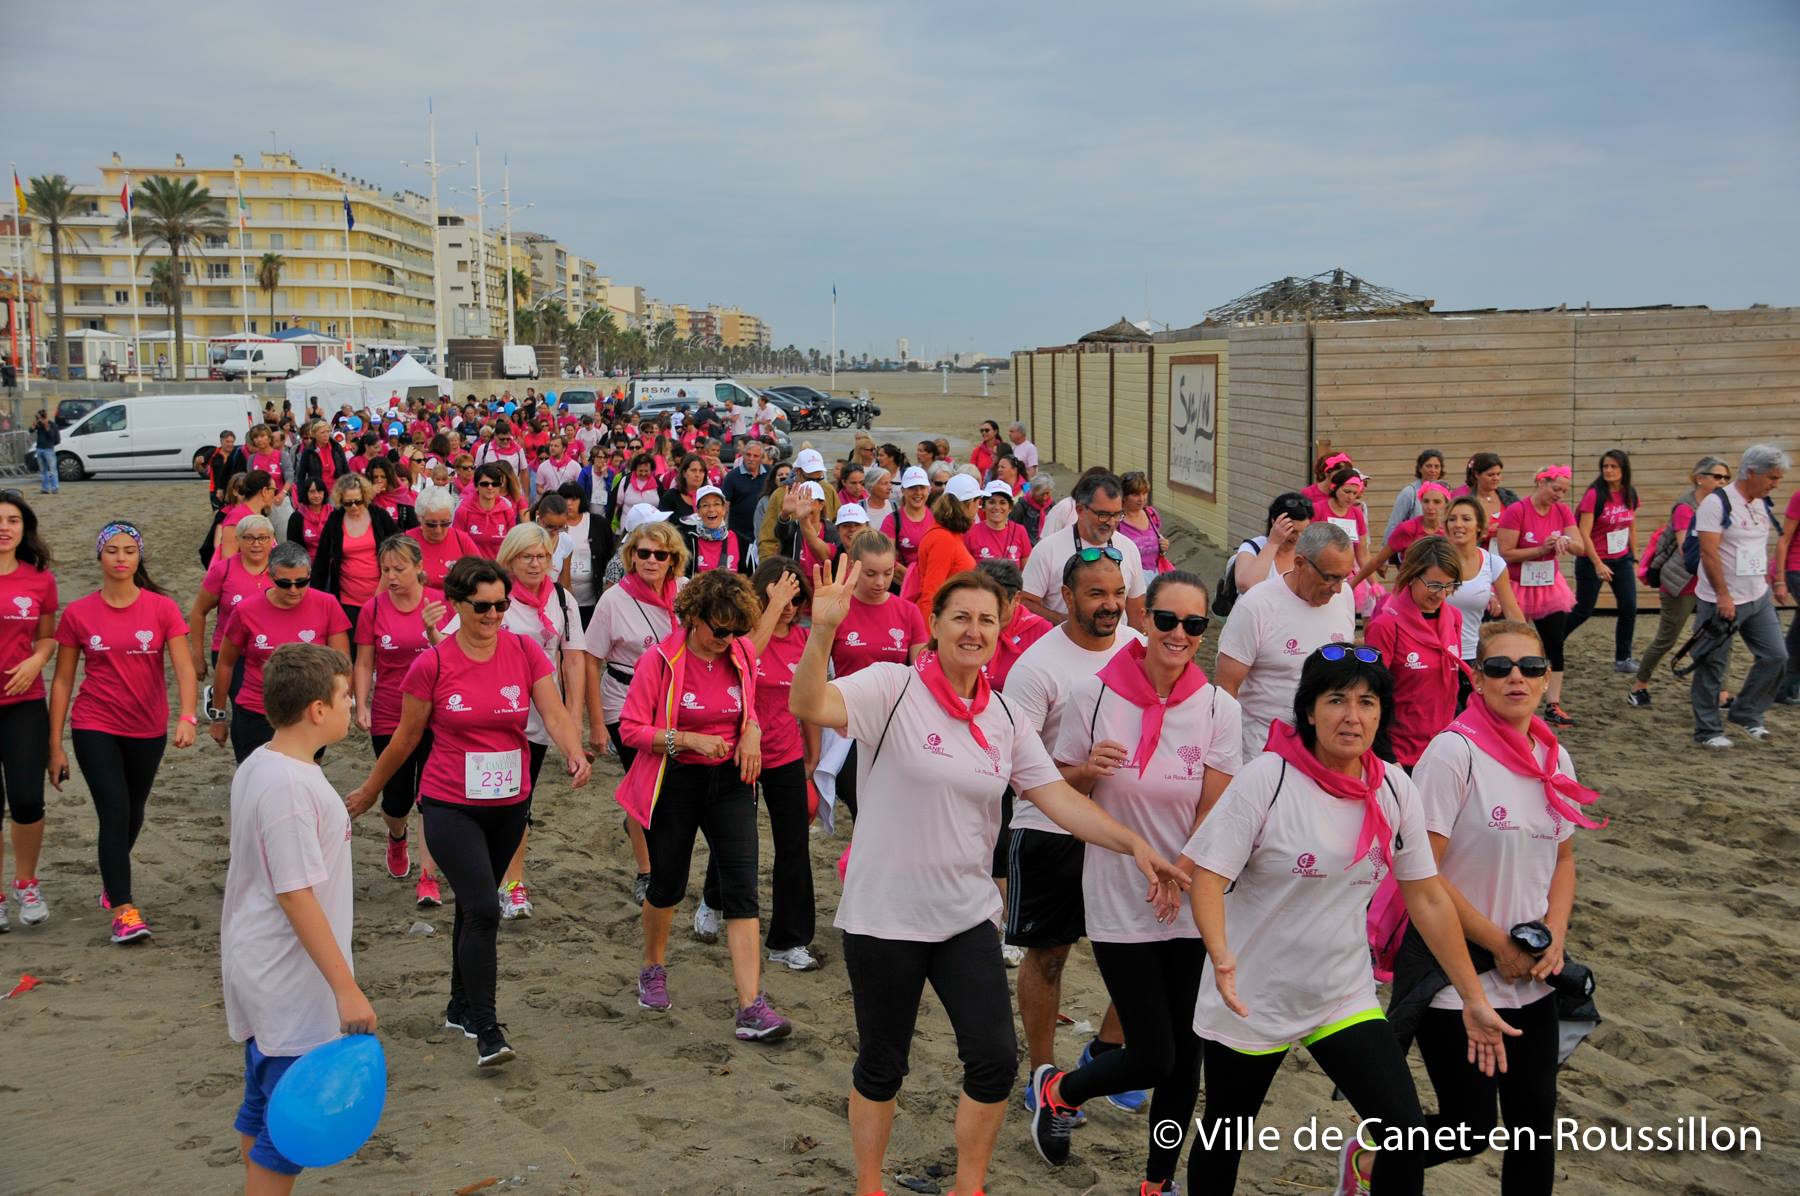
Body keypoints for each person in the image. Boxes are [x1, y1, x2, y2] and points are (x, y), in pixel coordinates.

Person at [788, 561, 1189, 1196]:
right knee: (883, 1062)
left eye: (986, 620)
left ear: (1001, 630)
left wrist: (1132, 843)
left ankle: (967, 1186)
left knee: (996, 1061)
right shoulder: (891, 687)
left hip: (966, 914)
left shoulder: (1001, 715)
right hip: (884, 913)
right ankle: (870, 1185)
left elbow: (1056, 796)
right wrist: (821, 633)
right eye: (961, 618)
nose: (974, 631)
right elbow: (807, 702)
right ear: (937, 626)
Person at [1176, 646, 1520, 1195]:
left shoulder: (1392, 786)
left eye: (1367, 702)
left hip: (1340, 994)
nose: (1352, 716)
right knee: (1225, 1137)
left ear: (1382, 713)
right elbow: (1209, 878)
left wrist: (1473, 996)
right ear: (1309, 711)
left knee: (1404, 1134)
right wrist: (1219, 955)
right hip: (1251, 993)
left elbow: (1427, 897)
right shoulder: (1268, 778)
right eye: (1336, 700)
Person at [1027, 570, 1239, 1186]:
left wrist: (1186, 875)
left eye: (1193, 624)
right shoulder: (1095, 695)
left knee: (1186, 1058)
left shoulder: (1219, 708)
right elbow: (1056, 788)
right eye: (1167, 620)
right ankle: (1061, 1090)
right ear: (1144, 621)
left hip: (1190, 894)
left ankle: (1156, 1180)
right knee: (1155, 1053)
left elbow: (1215, 810)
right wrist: (1086, 769)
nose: (1178, 634)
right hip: (1119, 890)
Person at [345, 557, 592, 1068]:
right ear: (458, 604)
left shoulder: (524, 650)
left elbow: (551, 710)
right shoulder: (432, 664)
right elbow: (405, 739)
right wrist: (372, 790)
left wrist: (573, 749)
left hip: (509, 802)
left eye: (502, 604)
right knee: (483, 907)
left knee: (471, 906)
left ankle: (459, 1004)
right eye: (483, 606)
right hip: (450, 803)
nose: (495, 614)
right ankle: (486, 1027)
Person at [1391, 620, 1604, 1196]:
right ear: (1476, 678)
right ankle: (1373, 1162)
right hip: (1456, 971)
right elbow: (1421, 871)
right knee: (1469, 1128)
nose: (1517, 678)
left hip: (1533, 975)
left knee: (1535, 1130)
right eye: (1500, 667)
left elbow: (1563, 862)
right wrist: (1497, 943)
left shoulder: (1553, 755)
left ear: (1544, 679)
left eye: (1531, 668)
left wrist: (1553, 936)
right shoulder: (1452, 753)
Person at [221, 643, 373, 1195]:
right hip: (288, 980)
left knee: (261, 1110)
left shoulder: (261, 763)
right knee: (285, 1136)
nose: (350, 703)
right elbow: (296, 895)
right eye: (343, 695)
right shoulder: (291, 786)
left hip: (260, 966)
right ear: (316, 710)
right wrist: (346, 989)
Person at [617, 569, 791, 1041]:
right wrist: (685, 739)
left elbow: (748, 709)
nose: (728, 639)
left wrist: (751, 730)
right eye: (719, 629)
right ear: (692, 616)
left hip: (731, 783)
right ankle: (653, 966)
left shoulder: (740, 652)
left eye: (736, 630)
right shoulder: (659, 660)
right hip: (673, 781)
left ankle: (751, 1005)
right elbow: (631, 729)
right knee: (668, 884)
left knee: (742, 888)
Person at [1003, 549, 1144, 1117]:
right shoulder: (1036, 668)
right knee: (1051, 956)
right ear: (1067, 596)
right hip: (1049, 829)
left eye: (1117, 593)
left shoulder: (1138, 647)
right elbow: (1012, 768)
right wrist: (1084, 771)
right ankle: (1041, 1073)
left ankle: (1105, 1053)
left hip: (1125, 829)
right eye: (1095, 594)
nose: (1110, 605)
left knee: (1144, 953)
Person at [47, 521, 198, 943]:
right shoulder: (78, 613)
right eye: (111, 550)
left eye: (128, 551)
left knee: (133, 811)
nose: (120, 558)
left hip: (147, 726)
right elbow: (62, 681)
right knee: (113, 811)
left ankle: (112, 879)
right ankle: (124, 910)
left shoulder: (162, 608)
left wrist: (188, 716)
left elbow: (183, 667)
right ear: (99, 556)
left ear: (138, 557)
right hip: (95, 723)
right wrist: (53, 744)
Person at [585, 509, 686, 903]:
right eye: (643, 553)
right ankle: (647, 870)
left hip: (676, 702)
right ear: (631, 556)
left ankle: (660, 857)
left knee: (670, 791)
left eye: (660, 555)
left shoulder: (687, 593)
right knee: (642, 783)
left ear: (673, 559)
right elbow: (592, 660)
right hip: (623, 702)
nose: (651, 561)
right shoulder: (614, 600)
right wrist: (595, 723)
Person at [493, 523, 588, 919]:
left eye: (542, 557)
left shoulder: (561, 599)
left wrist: (574, 718)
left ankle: (512, 883)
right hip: (495, 714)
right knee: (495, 800)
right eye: (526, 557)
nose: (535, 564)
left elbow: (575, 657)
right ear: (509, 559)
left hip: (540, 715)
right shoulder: (495, 598)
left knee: (520, 803)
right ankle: (496, 877)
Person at [353, 536, 451, 907]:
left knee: (431, 794)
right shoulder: (373, 610)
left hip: (436, 714)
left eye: (399, 569)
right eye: (386, 570)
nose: (391, 577)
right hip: (390, 713)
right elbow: (365, 661)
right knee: (397, 799)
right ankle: (396, 836)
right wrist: (361, 703)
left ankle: (428, 877)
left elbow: (454, 654)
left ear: (418, 567)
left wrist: (433, 633)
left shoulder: (439, 604)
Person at [736, 559, 821, 971]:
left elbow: (811, 700)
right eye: (779, 595)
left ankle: (789, 939)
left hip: (786, 753)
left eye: (795, 597)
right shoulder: (742, 634)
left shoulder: (804, 641)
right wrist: (770, 609)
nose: (788, 606)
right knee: (738, 841)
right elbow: (747, 657)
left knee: (793, 846)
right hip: (742, 753)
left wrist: (813, 752)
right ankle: (716, 899)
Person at [1215, 521, 1357, 760]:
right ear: (1300, 563)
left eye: (1344, 578)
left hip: (1323, 753)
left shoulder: (1345, 598)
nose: (1338, 589)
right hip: (1263, 752)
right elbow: (1225, 689)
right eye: (1330, 578)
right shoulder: (1257, 605)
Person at [822, 532, 927, 823]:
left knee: (897, 811)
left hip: (896, 724)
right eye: (870, 574)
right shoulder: (838, 609)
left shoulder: (908, 612)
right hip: (848, 726)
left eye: (888, 573)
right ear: (854, 567)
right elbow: (817, 672)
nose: (880, 582)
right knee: (864, 808)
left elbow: (921, 672)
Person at [215, 542, 353, 763]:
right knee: (257, 781)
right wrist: (218, 715)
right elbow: (225, 663)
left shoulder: (327, 605)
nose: (293, 590)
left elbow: (342, 666)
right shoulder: (246, 610)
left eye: (301, 582)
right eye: (284, 583)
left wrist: (337, 707)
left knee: (303, 780)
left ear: (309, 574)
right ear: (270, 575)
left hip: (307, 714)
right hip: (257, 711)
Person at [1690, 444, 1790, 748]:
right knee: (1712, 665)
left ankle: (1746, 712)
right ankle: (1708, 730)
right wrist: (1723, 595)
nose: (1776, 483)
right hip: (1721, 599)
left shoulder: (1762, 502)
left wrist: (1773, 582)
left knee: (1776, 656)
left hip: (1757, 597)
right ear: (1751, 472)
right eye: (1772, 477)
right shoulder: (1717, 504)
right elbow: (1708, 552)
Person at [1629, 456, 1731, 708]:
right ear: (1700, 478)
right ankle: (1639, 686)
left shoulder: (1724, 506)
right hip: (1682, 582)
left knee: (1719, 636)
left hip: (1710, 582)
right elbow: (1689, 548)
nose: (1722, 482)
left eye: (1726, 478)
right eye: (1717, 476)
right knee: (1667, 638)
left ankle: (1720, 692)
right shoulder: (1685, 507)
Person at [0, 492, 57, 930]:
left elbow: (47, 637)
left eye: (13, 520)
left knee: (26, 798)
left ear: (25, 528)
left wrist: (37, 660)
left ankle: (25, 883)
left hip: (23, 705)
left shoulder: (39, 579)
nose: (5, 527)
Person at [1364, 538, 1467, 767]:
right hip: (1401, 754)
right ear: (1412, 576)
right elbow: (1372, 696)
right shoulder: (1386, 626)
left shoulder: (1454, 618)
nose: (1441, 594)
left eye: (1449, 585)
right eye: (1433, 585)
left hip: (1442, 751)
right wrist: (1388, 756)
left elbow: (1452, 687)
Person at [1495, 466, 1581, 727]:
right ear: (1541, 483)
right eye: (1556, 489)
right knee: (1511, 641)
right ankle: (1504, 697)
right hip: (1516, 583)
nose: (1560, 495)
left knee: (1555, 643)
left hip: (1548, 586)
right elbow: (1506, 552)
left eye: (1564, 491)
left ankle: (1553, 704)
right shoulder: (1517, 511)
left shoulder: (1562, 511)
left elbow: (1581, 546)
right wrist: (1539, 549)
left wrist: (1565, 541)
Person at [1020, 472, 1149, 632]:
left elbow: (1136, 610)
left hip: (1116, 652)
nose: (1111, 522)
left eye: (1117, 515)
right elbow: (1025, 603)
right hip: (1065, 648)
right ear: (1080, 510)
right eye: (1103, 515)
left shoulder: (1128, 548)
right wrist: (1063, 621)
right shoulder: (1047, 549)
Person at [189, 514, 276, 711]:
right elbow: (198, 612)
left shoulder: (281, 571)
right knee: (244, 707)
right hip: (230, 651)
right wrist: (197, 656)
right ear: (238, 540)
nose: (256, 544)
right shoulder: (223, 570)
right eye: (249, 538)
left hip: (269, 649)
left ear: (272, 540)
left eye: (262, 538)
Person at [1566, 449, 1641, 673]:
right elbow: (1583, 533)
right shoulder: (1594, 495)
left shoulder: (1630, 493)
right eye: (1605, 466)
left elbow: (1631, 525)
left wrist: (1633, 556)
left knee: (1629, 607)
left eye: (1613, 467)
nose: (1608, 470)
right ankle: (1551, 643)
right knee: (1583, 610)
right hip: (1592, 560)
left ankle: (1623, 658)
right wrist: (1598, 563)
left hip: (1621, 559)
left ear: (1623, 470)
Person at [1445, 497, 1525, 676]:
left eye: (1466, 519)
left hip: (1472, 656)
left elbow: (1512, 611)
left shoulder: (1492, 563)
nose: (1458, 525)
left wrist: (1529, 647)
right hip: (1436, 655)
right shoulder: (1433, 561)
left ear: (1479, 526)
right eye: (1452, 519)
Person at [310, 474, 397, 630]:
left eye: (358, 501)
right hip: (347, 599)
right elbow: (322, 560)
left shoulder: (379, 515)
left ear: (365, 496)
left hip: (382, 596)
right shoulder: (335, 520)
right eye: (348, 503)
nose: (354, 506)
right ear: (340, 502)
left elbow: (398, 547)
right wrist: (314, 596)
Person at [1350, 481, 1451, 590]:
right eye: (1426, 501)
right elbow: (1377, 560)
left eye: (1437, 502)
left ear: (1446, 504)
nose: (1430, 507)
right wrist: (1351, 585)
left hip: (1438, 592)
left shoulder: (1449, 532)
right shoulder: (1407, 528)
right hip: (1407, 592)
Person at [909, 475, 982, 619]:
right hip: (941, 625)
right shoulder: (943, 538)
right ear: (969, 503)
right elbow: (931, 593)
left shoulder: (949, 534)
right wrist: (928, 638)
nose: (979, 508)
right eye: (978, 501)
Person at [979, 558, 1051, 689]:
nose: (985, 609)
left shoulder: (1041, 632)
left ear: (1016, 599)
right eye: (979, 600)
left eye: (996, 602)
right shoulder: (965, 626)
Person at [1229, 493, 1314, 595]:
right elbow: (1247, 586)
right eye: (1292, 531)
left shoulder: (1307, 551)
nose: (1298, 538)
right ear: (1274, 522)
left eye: (1304, 531)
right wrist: (1273, 542)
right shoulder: (1253, 547)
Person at [406, 488, 480, 589]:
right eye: (431, 524)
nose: (438, 530)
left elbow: (481, 575)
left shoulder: (462, 539)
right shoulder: (406, 542)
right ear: (420, 518)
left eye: (445, 523)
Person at [1313, 465, 1371, 574]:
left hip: (1348, 571)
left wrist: (1374, 583)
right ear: (1334, 487)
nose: (1350, 497)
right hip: (1321, 569)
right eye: (1346, 491)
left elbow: (1362, 554)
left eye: (1354, 493)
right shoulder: (1318, 509)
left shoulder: (1357, 514)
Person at [1454, 452, 1520, 548]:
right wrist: (1485, 533)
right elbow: (1458, 534)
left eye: (1498, 474)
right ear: (1477, 474)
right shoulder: (1466, 502)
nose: (1496, 478)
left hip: (1509, 556)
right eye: (1490, 475)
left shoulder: (1510, 497)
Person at [1382, 448, 1447, 545]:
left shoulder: (1445, 492)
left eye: (1437, 466)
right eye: (1429, 466)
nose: (1433, 470)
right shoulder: (1409, 492)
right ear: (1420, 468)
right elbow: (1394, 523)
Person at [454, 463, 518, 560]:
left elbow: (512, 544)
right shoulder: (464, 510)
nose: (490, 487)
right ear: (476, 486)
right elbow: (456, 543)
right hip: (472, 569)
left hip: (498, 569)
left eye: (495, 484)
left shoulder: (507, 510)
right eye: (485, 484)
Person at [965, 480, 1032, 566]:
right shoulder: (971, 533)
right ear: (984, 506)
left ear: (1010, 507)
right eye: (991, 502)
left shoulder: (1020, 531)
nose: (997, 507)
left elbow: (1026, 570)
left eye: (1002, 503)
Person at [1117, 471, 1169, 576]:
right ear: (1123, 496)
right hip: (1129, 580)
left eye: (1144, 493)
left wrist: (1163, 547)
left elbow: (1155, 544)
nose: (1142, 499)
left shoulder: (1151, 514)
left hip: (1155, 577)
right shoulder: (1116, 520)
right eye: (1135, 494)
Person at [720, 438, 768, 548]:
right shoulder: (732, 477)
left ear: (761, 458)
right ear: (743, 455)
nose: (751, 459)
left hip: (764, 533)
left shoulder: (769, 473)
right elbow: (725, 507)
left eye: (755, 456)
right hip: (739, 535)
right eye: (748, 455)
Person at [888, 466, 936, 572]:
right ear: (902, 491)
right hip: (903, 583)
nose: (918, 492)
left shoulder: (937, 517)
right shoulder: (891, 521)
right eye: (912, 488)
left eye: (922, 487)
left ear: (928, 490)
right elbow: (887, 561)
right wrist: (912, 579)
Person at [687, 484, 743, 574]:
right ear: (698, 511)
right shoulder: (689, 541)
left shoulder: (740, 541)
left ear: (724, 509)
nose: (711, 509)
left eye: (716, 504)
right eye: (705, 505)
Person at [294, 421, 348, 504]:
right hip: (318, 492)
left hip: (337, 490)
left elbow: (346, 470)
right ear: (314, 435)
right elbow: (301, 476)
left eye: (328, 431)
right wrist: (301, 496)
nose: (326, 435)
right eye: (322, 432)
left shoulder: (337, 448)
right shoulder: (308, 452)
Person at [287, 476, 333, 561]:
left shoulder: (333, 514)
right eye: (312, 492)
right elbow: (293, 547)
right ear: (306, 493)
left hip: (331, 563)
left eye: (319, 491)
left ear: (324, 493)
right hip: (306, 564)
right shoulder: (296, 518)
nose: (316, 495)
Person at [203, 430, 249, 511]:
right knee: (218, 514)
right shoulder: (213, 453)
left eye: (232, 442)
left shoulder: (237, 453)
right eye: (227, 441)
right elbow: (200, 469)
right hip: (216, 490)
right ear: (221, 441)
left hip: (233, 490)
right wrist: (198, 464)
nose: (230, 444)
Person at [1011, 473, 1055, 544]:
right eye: (1041, 494)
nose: (1044, 497)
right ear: (1033, 491)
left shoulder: (1052, 506)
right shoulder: (1021, 507)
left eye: (1047, 493)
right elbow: (1012, 528)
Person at [31, 409, 60, 495]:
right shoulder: (38, 425)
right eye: (38, 418)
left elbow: (53, 437)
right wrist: (33, 426)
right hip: (39, 449)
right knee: (43, 470)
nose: (39, 420)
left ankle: (55, 488)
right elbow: (30, 430)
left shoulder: (52, 424)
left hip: (48, 449)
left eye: (40, 418)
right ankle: (45, 488)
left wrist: (47, 427)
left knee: (52, 470)